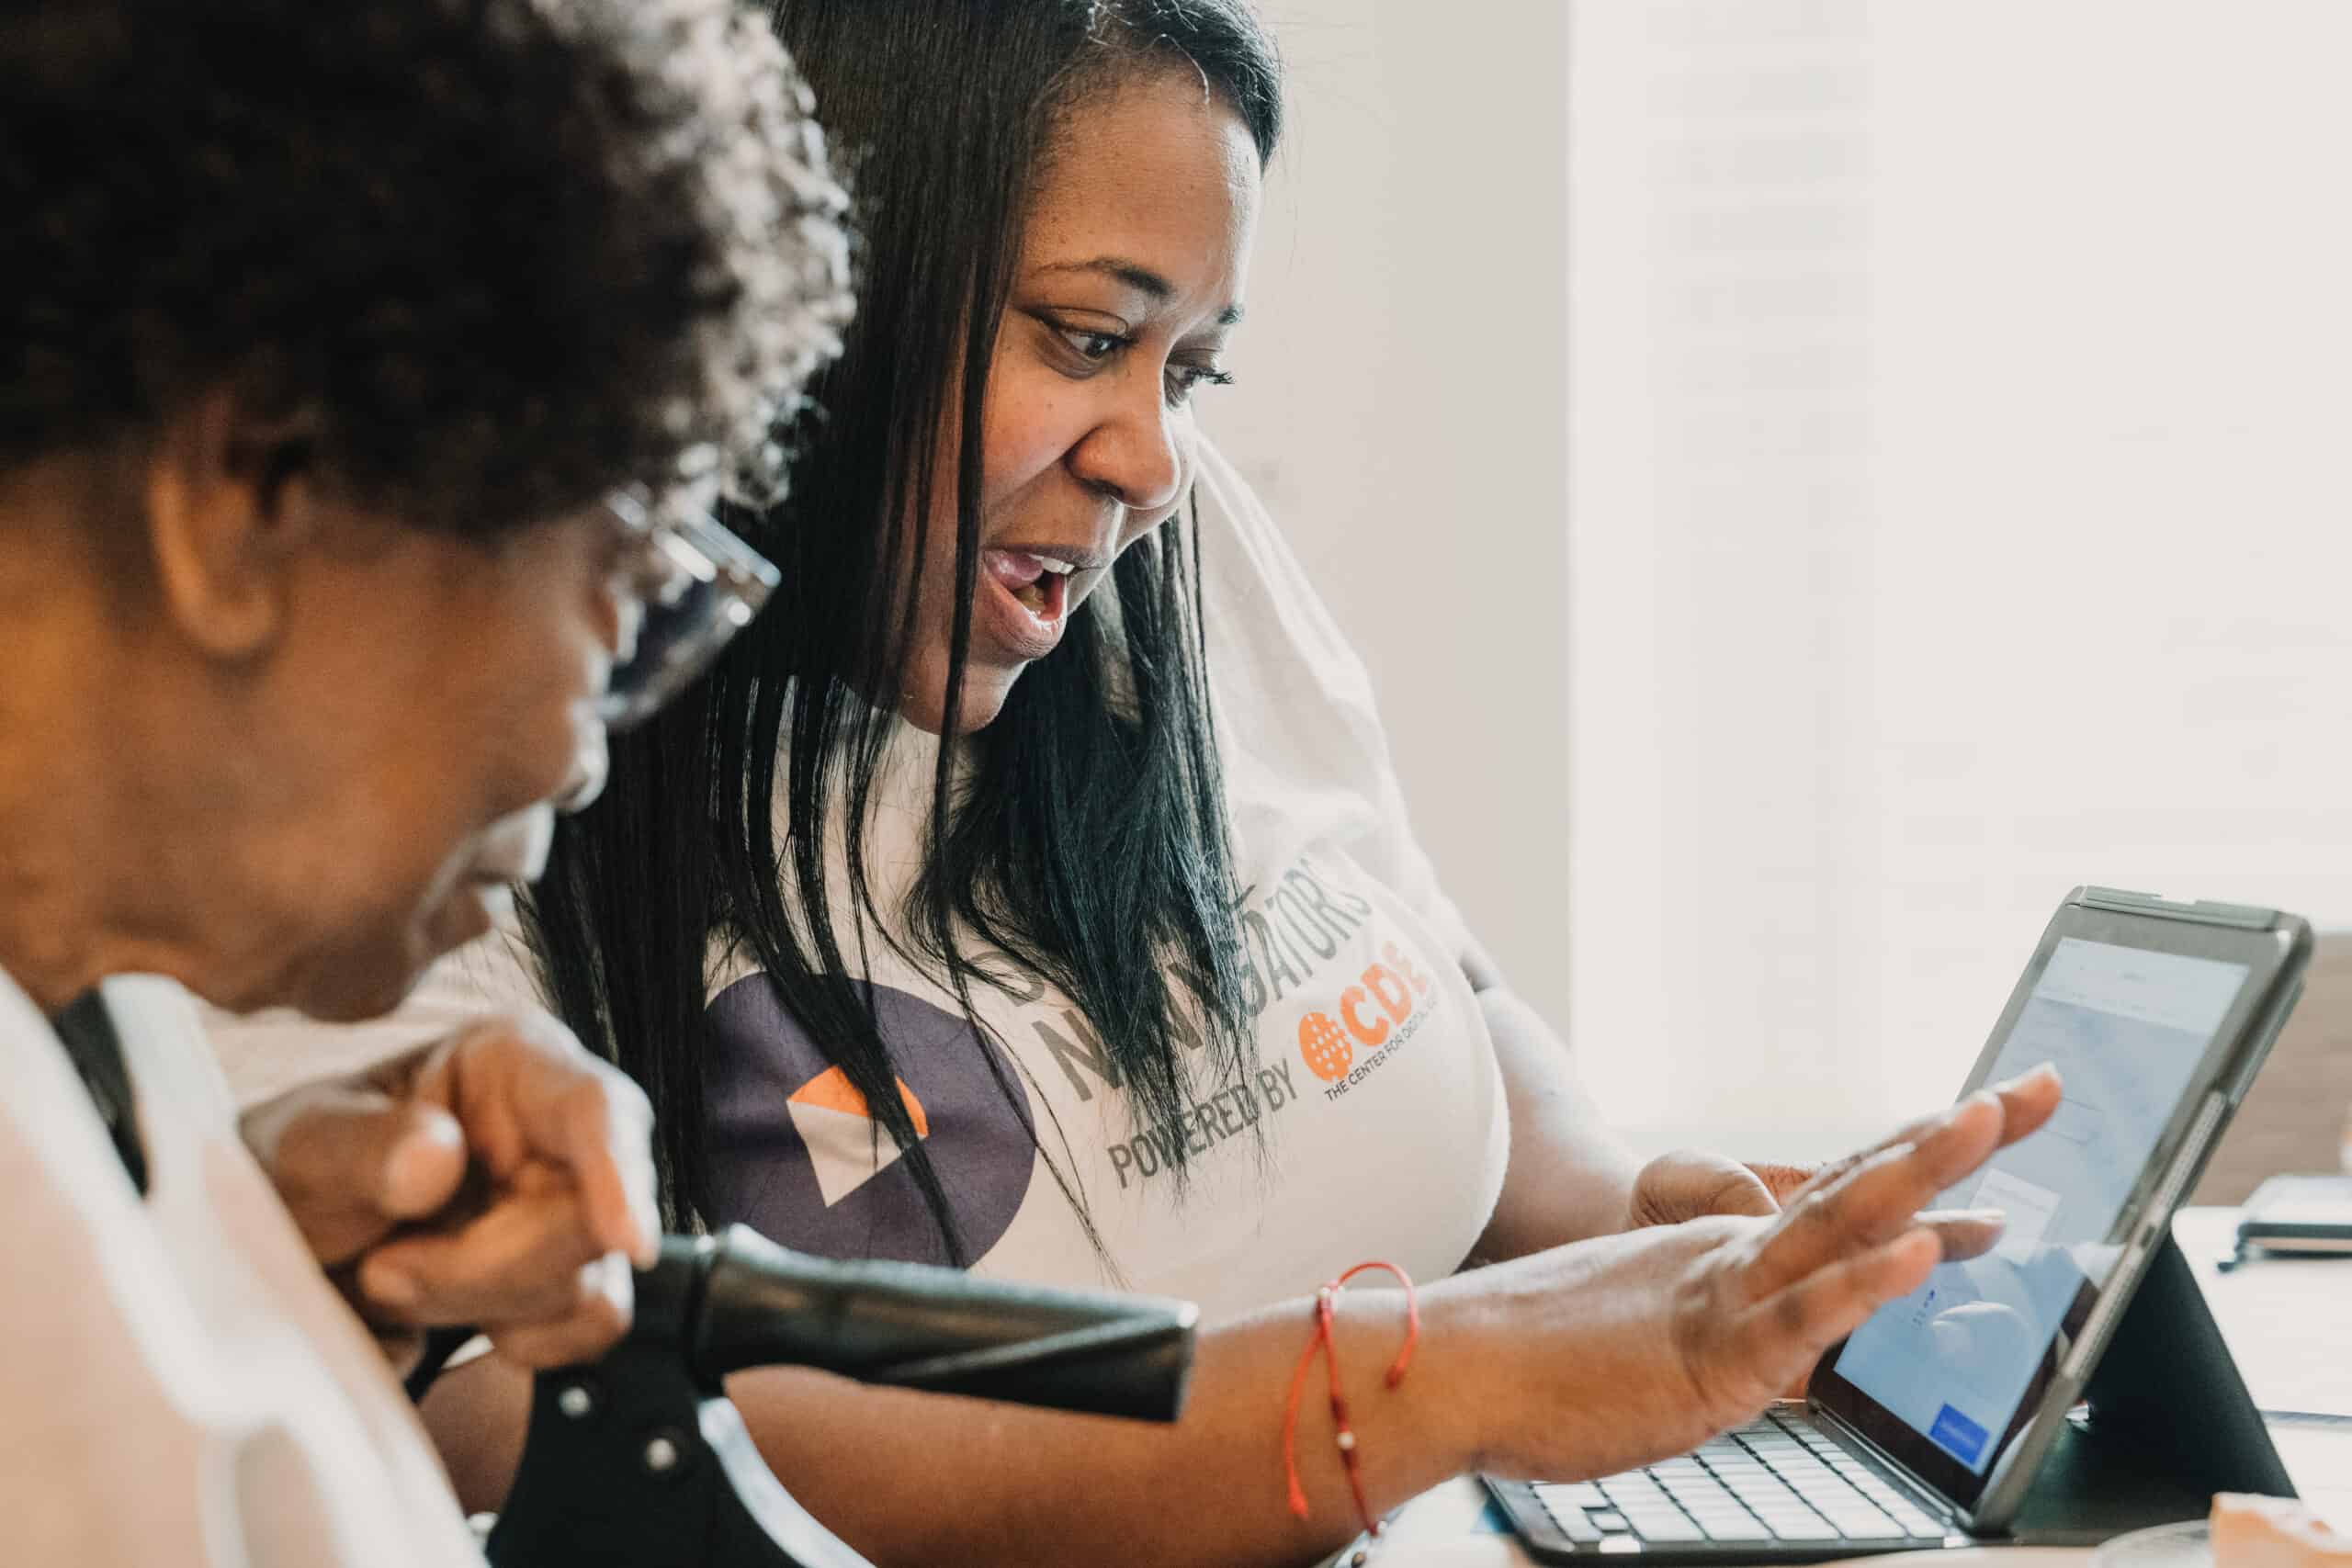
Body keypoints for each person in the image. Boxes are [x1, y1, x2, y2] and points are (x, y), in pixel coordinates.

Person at [212, 2, 2057, 1563]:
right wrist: (1440, 1382)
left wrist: (1635, 1210)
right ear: (804, 302)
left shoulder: (1161, 549)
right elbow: (513, 1423)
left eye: (1192, 364)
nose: (1151, 454)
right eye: (1088, 335)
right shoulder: (476, 755)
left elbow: (1414, 946)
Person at [0, 0, 850, 1561]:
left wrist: (255, 1268)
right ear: (259, 482)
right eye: (622, 574)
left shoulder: (79, 999)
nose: (585, 750)